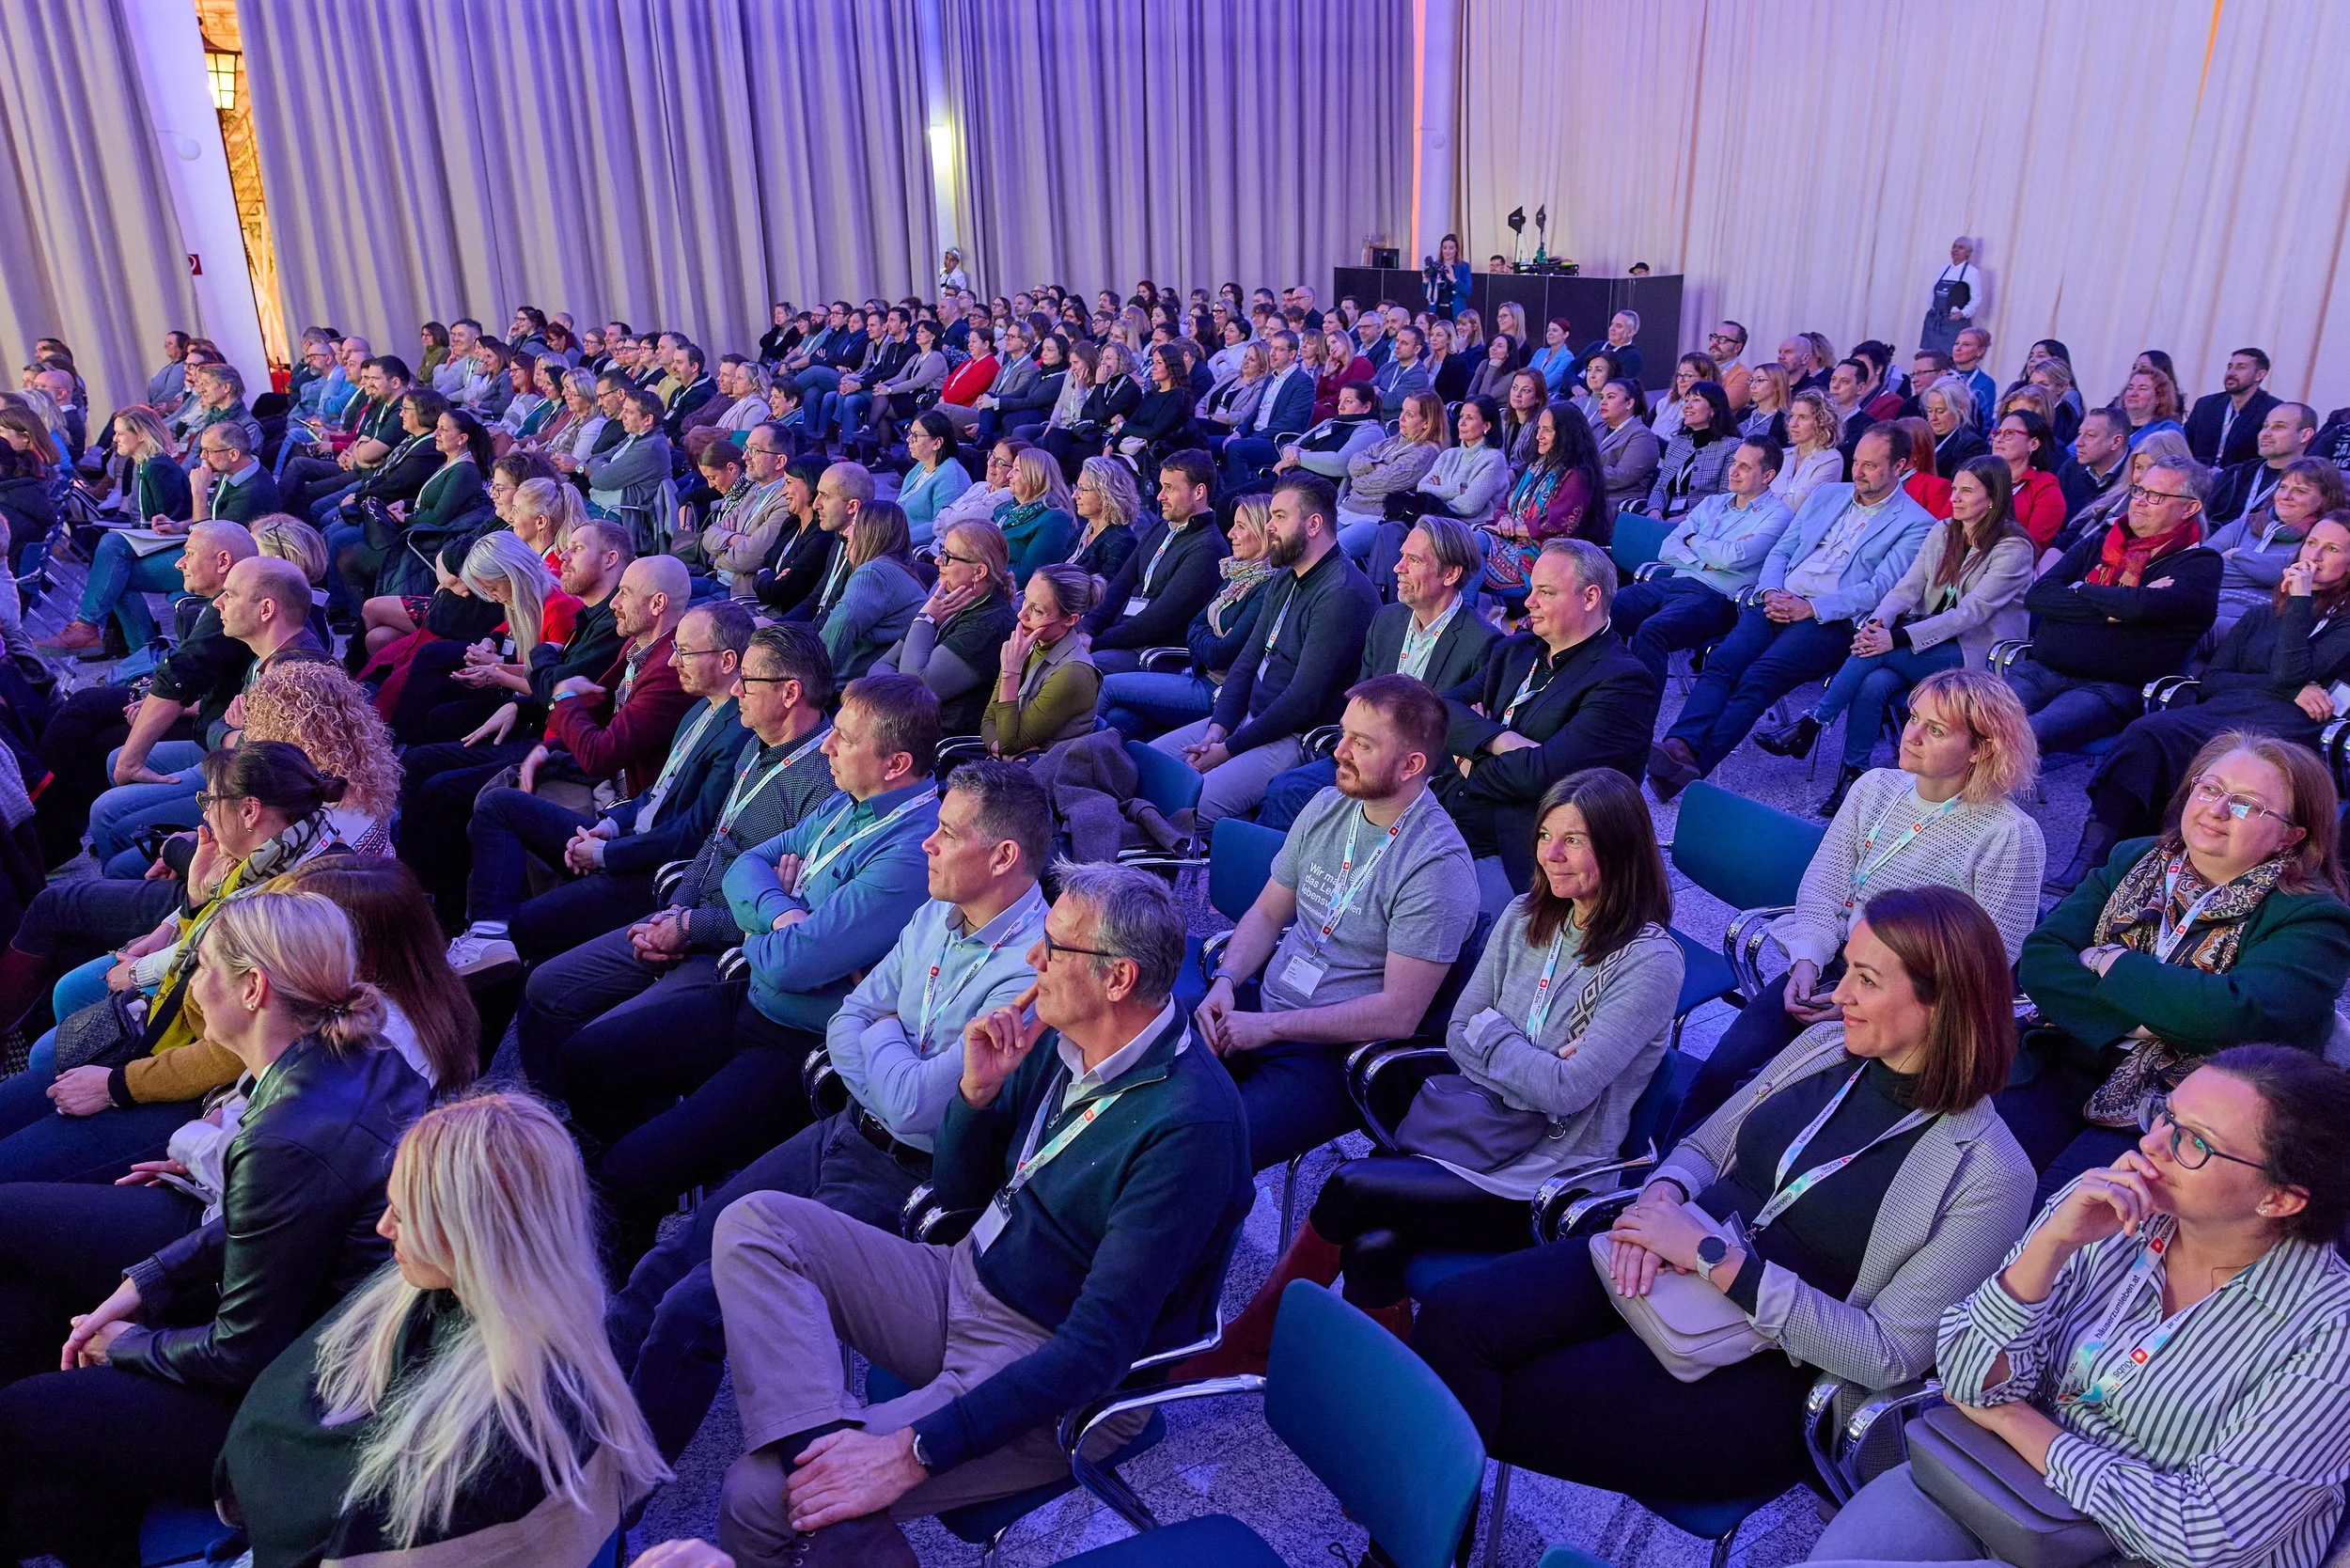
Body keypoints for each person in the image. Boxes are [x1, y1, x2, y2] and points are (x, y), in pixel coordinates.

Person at [1413, 885, 2034, 1512]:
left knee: (1492, 1397)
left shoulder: (1989, 1173)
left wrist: (1713, 1257)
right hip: (1672, 1248)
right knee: (1449, 1321)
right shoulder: (1828, 1047)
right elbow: (1708, 1143)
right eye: (1846, 967)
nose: (1839, 993)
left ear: (1942, 1004)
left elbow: (1888, 1354)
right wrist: (1657, 1200)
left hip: (1772, 1361)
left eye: (1866, 980)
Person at [706, 861, 1249, 1567]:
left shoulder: (1189, 1128)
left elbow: (1094, 1350)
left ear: (1116, 980)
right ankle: (828, 1472)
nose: (1033, 959)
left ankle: (827, 1488)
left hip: (1049, 1361)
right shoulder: (1064, 1036)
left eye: (1054, 949)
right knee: (756, 1224)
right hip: (964, 1276)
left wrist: (913, 1451)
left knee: (758, 1494)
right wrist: (975, 1096)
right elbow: (960, 1194)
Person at [609, 761, 1051, 1462]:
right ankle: (566, 1445)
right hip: (841, 1131)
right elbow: (848, 1019)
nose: (927, 845)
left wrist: (879, 1038)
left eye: (946, 832)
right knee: (669, 1261)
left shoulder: (1031, 975)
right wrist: (887, 1040)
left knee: (694, 1309)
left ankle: (613, 1500)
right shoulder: (939, 911)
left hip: (903, 1183)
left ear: (1003, 857)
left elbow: (914, 1106)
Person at [1196, 768, 1684, 1382]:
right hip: (1473, 1129)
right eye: (1545, 836)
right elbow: (1459, 1030)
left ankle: (1254, 1340)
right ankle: (1381, 1384)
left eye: (1575, 841)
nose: (1552, 856)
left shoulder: (1649, 961)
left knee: (1350, 1186)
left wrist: (1497, 1037)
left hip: (1545, 1171)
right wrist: (1524, 1051)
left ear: (1620, 847)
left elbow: (1568, 1092)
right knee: (1372, 1247)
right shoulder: (1528, 915)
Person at [0, 891, 430, 1568]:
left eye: (203, 971)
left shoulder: (289, 1134)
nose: (193, 988)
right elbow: (265, 1222)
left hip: (301, 1409)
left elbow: (240, 1356)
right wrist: (146, 1280)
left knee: (21, 1413)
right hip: (319, 1342)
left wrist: (128, 1345)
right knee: (31, 1326)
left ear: (253, 989)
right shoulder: (364, 1057)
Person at [1809, 1047, 2350, 1568]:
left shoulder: (2328, 1332)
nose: (2152, 1144)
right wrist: (2050, 1246)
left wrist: (2020, 1423)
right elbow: (1967, 1379)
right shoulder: (2110, 1214)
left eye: (2193, 1142)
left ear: (2279, 1199)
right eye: (2166, 1114)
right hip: (1989, 1480)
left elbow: (2202, 1536)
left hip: (2128, 1553)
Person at [565, 675, 939, 1262]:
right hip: (749, 995)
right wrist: (782, 911)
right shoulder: (849, 798)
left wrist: (765, 925)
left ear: (895, 764)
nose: (826, 747)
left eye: (843, 737)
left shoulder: (910, 849)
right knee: (585, 1060)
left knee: (624, 1172)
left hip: (798, 1046)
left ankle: (638, 1216)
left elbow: (796, 966)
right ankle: (652, 1194)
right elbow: (747, 865)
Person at [218, 1093, 667, 1565]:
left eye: (405, 1215)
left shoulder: (494, 1446)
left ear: (472, 1234)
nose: (383, 1227)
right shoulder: (425, 1294)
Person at [0, 740, 368, 1183]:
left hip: (215, 1097)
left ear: (250, 811)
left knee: (12, 1169)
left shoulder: (292, 901)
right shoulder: (276, 855)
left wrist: (117, 1085)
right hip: (172, 1048)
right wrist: (195, 897)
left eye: (208, 801)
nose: (204, 815)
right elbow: (206, 962)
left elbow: (234, 1053)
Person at [1692, 669, 2044, 1126]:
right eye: (1913, 717)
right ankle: (1661, 1179)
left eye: (1935, 730)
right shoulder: (1875, 788)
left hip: (1914, 1002)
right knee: (1722, 1073)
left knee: (1776, 1102)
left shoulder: (2009, 834)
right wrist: (1807, 959)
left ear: (1980, 750)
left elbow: (1986, 958)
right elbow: (1827, 883)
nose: (1911, 735)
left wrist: (1862, 999)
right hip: (1837, 965)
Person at [2008, 732, 2350, 1196]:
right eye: (2210, 788)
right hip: (2068, 1056)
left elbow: (2236, 1016)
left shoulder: (2313, 916)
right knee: (1972, 1181)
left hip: (2192, 1110)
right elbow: (2043, 959)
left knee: (2056, 1209)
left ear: (2290, 835)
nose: (2217, 810)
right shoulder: (2135, 858)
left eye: (2248, 804)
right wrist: (2162, 1020)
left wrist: (2109, 962)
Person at [516, 622, 837, 1083]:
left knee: (595, 1047)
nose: (738, 690)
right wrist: (674, 912)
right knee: (545, 984)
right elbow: (713, 843)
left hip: (726, 950)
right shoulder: (754, 746)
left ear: (790, 693)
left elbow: (781, 916)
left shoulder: (822, 784)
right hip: (683, 914)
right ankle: (555, 1106)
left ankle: (584, 1134)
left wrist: (688, 928)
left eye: (749, 680)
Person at [1196, 675, 1480, 1170]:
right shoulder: (1329, 805)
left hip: (1334, 1054)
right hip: (1261, 1006)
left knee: (1208, 1153)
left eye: (1362, 744)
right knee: (1139, 1073)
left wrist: (1269, 1028)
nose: (1339, 751)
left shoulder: (1435, 866)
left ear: (1412, 765)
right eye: (1344, 733)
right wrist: (1225, 981)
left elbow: (1398, 1014)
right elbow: (1266, 913)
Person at [446, 599, 755, 972]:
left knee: (522, 929)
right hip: (622, 834)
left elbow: (692, 833)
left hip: (648, 870)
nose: (673, 662)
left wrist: (604, 854)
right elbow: (656, 795)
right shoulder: (699, 706)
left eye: (685, 652)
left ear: (726, 662)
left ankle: (493, 951)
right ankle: (485, 935)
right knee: (499, 804)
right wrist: (607, 826)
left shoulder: (737, 732)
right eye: (675, 649)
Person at [2058, 521, 2350, 887]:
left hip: (2286, 725)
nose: (2316, 556)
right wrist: (2291, 688)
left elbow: (2289, 671)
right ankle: (2095, 858)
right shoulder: (2262, 615)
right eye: (2312, 543)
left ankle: (2174, 868)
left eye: (2333, 549)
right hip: (2225, 708)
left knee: (2229, 758)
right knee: (2148, 733)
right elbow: (2214, 680)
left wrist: (2300, 603)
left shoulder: (2344, 626)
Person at [1650, 427, 1935, 797]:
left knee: (1758, 677)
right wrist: (1770, 590)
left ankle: (1692, 767)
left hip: (1829, 620)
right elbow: (1782, 551)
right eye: (1857, 462)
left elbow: (1879, 589)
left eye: (1871, 465)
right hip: (1778, 598)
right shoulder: (1827, 496)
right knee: (1723, 661)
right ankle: (1679, 745)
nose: (1859, 472)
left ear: (1899, 465)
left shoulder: (1915, 522)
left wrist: (1810, 607)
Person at [1762, 458, 2037, 814]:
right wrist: (1877, 623)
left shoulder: (2013, 549)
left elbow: (1971, 614)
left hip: (1977, 656)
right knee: (1873, 681)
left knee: (1879, 654)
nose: (1955, 497)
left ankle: (1814, 722)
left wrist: (1896, 638)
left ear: (1993, 498)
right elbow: (1906, 589)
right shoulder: (1944, 532)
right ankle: (1852, 777)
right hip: (1926, 645)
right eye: (1954, 488)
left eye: (1967, 491)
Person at [1152, 474, 1379, 825]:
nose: (1270, 527)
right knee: (1150, 767)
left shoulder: (1342, 593)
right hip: (1247, 720)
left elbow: (1303, 699)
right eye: (1271, 516)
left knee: (1186, 805)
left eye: (1280, 517)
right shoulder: (1285, 576)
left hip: (1294, 735)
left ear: (1314, 524)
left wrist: (1226, 750)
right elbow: (1246, 662)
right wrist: (1218, 729)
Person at [1258, 517, 1498, 829]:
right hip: (1358, 757)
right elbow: (1361, 698)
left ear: (1450, 573)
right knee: (1284, 790)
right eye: (1402, 556)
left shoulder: (1484, 643)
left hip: (1412, 780)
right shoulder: (1387, 620)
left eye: (1412, 560)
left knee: (1291, 794)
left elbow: (1460, 738)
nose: (1397, 568)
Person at [1445, 541, 1660, 885]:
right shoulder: (1515, 650)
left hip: (1527, 853)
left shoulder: (1624, 681)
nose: (1528, 603)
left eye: (1545, 592)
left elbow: (1544, 776)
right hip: (1451, 814)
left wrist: (1469, 758)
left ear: (1589, 598)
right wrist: (1501, 739)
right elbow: (1441, 710)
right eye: (1532, 590)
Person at [2004, 455, 2220, 759]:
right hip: (2041, 669)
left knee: (2019, 735)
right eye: (2138, 490)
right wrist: (2117, 604)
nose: (2140, 501)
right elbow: (2039, 595)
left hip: (2107, 690)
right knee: (1967, 720)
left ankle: (1971, 803)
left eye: (2156, 496)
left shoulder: (2199, 565)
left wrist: (2080, 589)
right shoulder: (2102, 544)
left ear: (2190, 507)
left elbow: (2141, 609)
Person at [1097, 493, 1279, 739]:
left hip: (1214, 691)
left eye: (1240, 527)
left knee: (1107, 686)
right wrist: (1210, 639)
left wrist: (1208, 641)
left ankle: (1065, 758)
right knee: (1118, 719)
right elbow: (1196, 626)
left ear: (1264, 533)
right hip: (1196, 674)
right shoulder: (1235, 574)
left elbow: (1223, 654)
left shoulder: (1267, 586)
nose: (1230, 534)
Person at [1611, 436, 1794, 682]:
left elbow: (1734, 557)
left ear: (1768, 476)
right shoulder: (1712, 503)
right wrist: (1704, 561)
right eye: (1734, 462)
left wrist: (1692, 539)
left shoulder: (1778, 514)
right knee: (1605, 609)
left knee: (1652, 631)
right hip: (1676, 582)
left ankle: (1639, 714)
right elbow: (1667, 547)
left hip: (1718, 598)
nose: (1734, 471)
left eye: (1745, 467)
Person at [1085, 448, 1229, 673]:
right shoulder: (1162, 527)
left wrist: (1095, 642)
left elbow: (1160, 618)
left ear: (1199, 491)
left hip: (1150, 652)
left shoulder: (1208, 548)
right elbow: (1120, 585)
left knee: (1070, 668)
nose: (1160, 496)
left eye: (1169, 488)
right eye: (1161, 486)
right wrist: (1087, 629)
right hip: (1118, 638)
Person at [879, 518, 1018, 734]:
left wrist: (926, 619)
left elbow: (916, 686)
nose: (937, 561)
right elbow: (883, 663)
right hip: (900, 723)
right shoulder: (947, 600)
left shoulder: (989, 625)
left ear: (979, 572)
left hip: (931, 742)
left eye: (947, 556)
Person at [2204, 453, 2344, 640]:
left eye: (2300, 491)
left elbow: (2288, 570)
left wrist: (2235, 555)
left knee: (2200, 630)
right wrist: (2261, 574)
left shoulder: (2319, 541)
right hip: (2210, 604)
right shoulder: (2243, 526)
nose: (2286, 497)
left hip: (2263, 622)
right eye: (2283, 487)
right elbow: (2200, 564)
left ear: (2325, 499)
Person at [981, 563, 1101, 757]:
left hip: (1047, 779)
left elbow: (1008, 744)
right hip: (1014, 770)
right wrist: (1005, 752)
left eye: (1037, 610)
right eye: (1025, 600)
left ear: (1070, 620)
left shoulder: (1073, 673)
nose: (1021, 614)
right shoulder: (1031, 643)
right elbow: (988, 720)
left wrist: (1010, 672)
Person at [819, 500, 927, 681]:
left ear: (869, 532)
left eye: (853, 524)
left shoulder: (873, 573)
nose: (845, 533)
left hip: (854, 691)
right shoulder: (898, 570)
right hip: (877, 686)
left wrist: (811, 683)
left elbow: (840, 626)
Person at [1335, 390, 1444, 557]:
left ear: (1426, 423)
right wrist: (1376, 465)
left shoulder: (1426, 453)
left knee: (1333, 553)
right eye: (1402, 411)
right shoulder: (1390, 442)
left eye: (1410, 414)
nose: (1401, 418)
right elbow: (1353, 462)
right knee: (1305, 542)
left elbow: (1386, 483)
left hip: (1377, 517)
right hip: (1349, 508)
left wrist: (1359, 478)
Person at [2205, 400, 2320, 529]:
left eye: (2279, 427)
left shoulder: (2313, 483)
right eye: (2265, 426)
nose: (2266, 434)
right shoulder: (2234, 474)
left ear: (2304, 435)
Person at [1642, 379, 1736, 520]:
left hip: (1701, 522)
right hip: (1665, 516)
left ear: (1713, 410)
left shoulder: (1731, 446)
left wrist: (1685, 518)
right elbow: (1661, 487)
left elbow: (1723, 497)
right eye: (1686, 400)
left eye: (1696, 400)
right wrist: (1655, 510)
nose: (1687, 406)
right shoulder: (1677, 442)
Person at [2183, 345, 2280, 469]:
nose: (2231, 373)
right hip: (2198, 478)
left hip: (2240, 483)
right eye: (2230, 367)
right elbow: (2185, 444)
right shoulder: (2205, 405)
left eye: (2241, 367)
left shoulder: (2273, 411)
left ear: (2259, 375)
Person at [1988, 407, 2067, 550]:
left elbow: (2031, 546)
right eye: (1997, 433)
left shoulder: (2045, 488)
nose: (1998, 440)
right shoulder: (1979, 476)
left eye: (2009, 433)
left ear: (2033, 444)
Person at [894, 410, 972, 548]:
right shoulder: (920, 467)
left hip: (915, 548)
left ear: (937, 443)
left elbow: (940, 527)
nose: (908, 439)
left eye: (915, 436)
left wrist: (894, 538)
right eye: (909, 433)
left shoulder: (951, 477)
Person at [1067, 455, 1141, 582]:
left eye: (1083, 489)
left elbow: (1106, 595)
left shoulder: (1121, 542)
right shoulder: (1080, 533)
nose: (1075, 495)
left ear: (1106, 495)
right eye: (1076, 488)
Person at [1593, 377, 1662, 510]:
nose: (1603, 402)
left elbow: (1621, 476)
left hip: (1613, 504)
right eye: (1602, 397)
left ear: (1629, 404)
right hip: (1588, 495)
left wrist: (1579, 473)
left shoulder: (1643, 436)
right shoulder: (1597, 428)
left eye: (1610, 397)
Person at [2057, 405, 2133, 521]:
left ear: (2116, 442)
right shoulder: (2071, 467)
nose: (2078, 443)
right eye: (2079, 433)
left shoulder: (2136, 476)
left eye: (2090, 435)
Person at [1919, 236, 1985, 356]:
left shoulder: (1972, 272)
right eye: (1954, 246)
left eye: (1960, 247)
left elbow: (1976, 298)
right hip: (1935, 321)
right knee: (1929, 357)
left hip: (1954, 323)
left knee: (1950, 358)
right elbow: (1933, 292)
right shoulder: (1943, 269)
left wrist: (1963, 313)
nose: (1955, 250)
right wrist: (1930, 310)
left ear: (1968, 253)